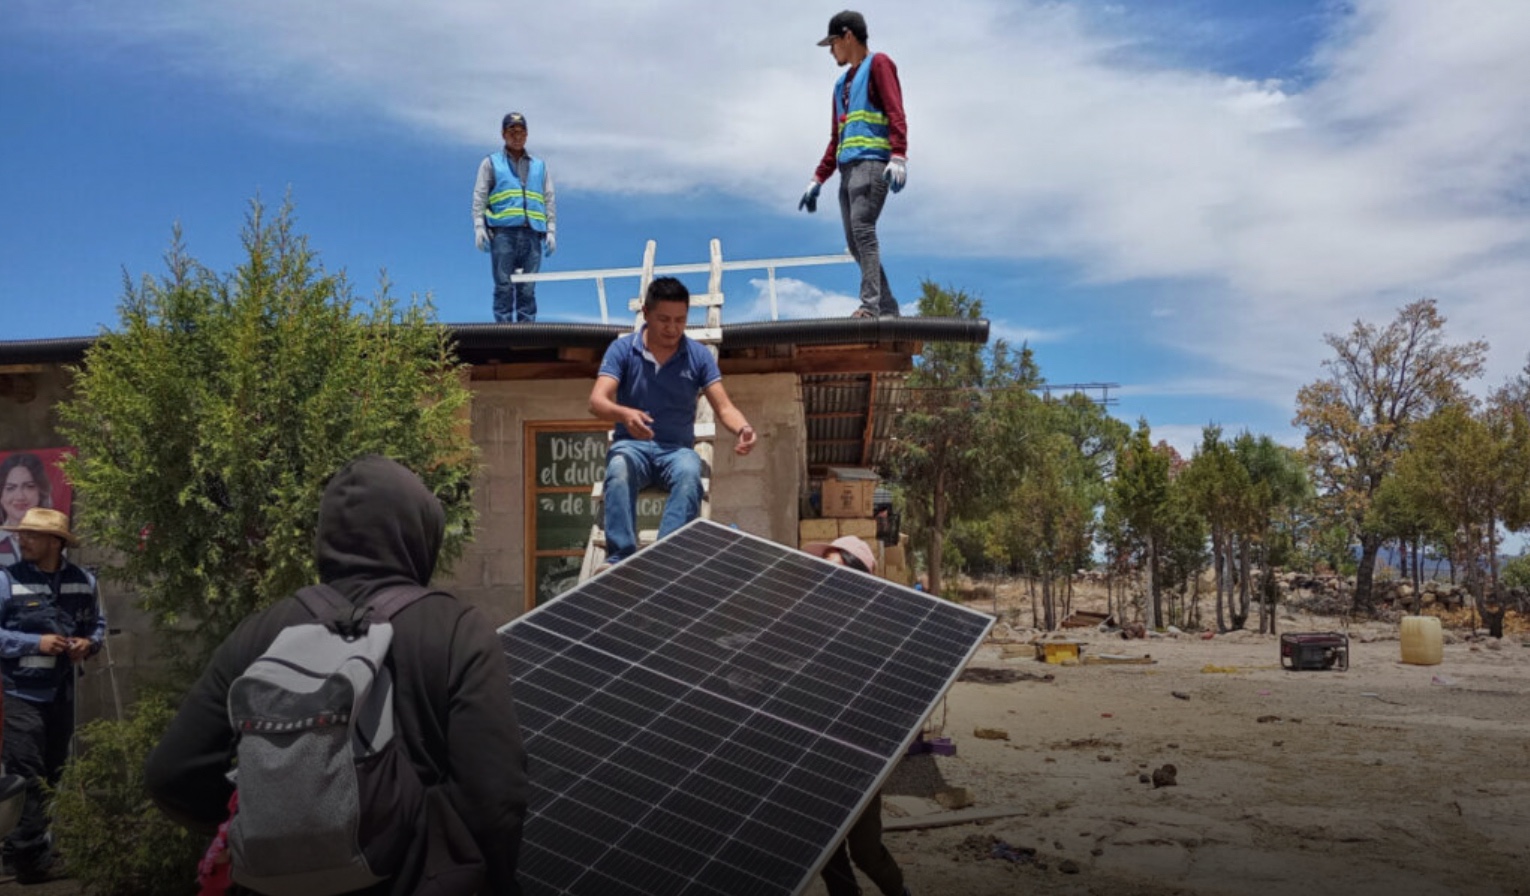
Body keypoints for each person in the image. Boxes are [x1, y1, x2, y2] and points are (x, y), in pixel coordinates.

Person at [145, 455, 528, 895]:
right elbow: (496, 795)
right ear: (419, 534)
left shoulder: (261, 632)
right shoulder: (457, 630)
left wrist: (270, 824)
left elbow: (171, 774)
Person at [589, 277, 757, 565]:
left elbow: (724, 407)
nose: (672, 328)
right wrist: (624, 414)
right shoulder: (622, 350)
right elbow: (596, 401)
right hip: (632, 447)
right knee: (618, 470)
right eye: (664, 319)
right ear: (646, 313)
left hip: (676, 450)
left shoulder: (698, 356)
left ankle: (664, 558)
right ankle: (621, 558)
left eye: (680, 320)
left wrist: (743, 428)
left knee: (691, 474)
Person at [0, 507, 106, 884]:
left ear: (55, 543)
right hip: (21, 695)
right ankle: (31, 862)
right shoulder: (6, 579)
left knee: (53, 773)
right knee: (27, 775)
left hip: (62, 694)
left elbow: (98, 626)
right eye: (21, 534)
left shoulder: (84, 581)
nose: (22, 540)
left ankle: (18, 850)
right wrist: (35, 642)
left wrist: (88, 644)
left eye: (31, 535)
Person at [802, 535, 911, 896]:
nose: (824, 576)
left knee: (865, 851)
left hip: (860, 754)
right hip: (815, 750)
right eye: (822, 569)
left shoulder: (877, 628)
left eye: (833, 568)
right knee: (824, 847)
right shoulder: (809, 620)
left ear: (854, 574)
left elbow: (894, 693)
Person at [799, 10, 908, 319]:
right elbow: (837, 138)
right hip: (847, 170)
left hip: (872, 164)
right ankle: (887, 307)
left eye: (833, 43)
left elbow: (895, 111)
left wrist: (899, 154)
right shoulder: (840, 86)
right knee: (854, 241)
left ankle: (871, 307)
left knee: (863, 230)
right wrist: (818, 179)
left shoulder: (879, 64)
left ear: (848, 37)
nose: (831, 51)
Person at [472, 111, 557, 323]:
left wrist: (551, 230)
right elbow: (480, 195)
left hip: (533, 233)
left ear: (526, 135)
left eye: (521, 132)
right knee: (504, 286)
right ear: (503, 134)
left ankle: (526, 333)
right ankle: (504, 331)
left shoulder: (539, 166)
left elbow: (548, 198)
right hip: (503, 234)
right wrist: (479, 226)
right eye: (512, 132)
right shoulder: (491, 163)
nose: (517, 137)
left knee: (528, 287)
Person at [0, 454, 51, 570]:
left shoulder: (52, 540)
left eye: (29, 486)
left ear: (40, 491)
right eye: (10, 488)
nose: (20, 496)